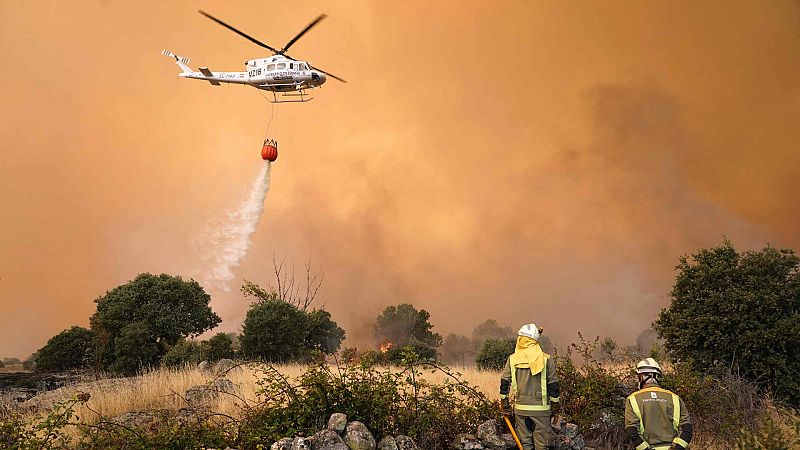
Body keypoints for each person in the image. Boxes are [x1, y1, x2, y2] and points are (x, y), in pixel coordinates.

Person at [500, 323, 560, 450]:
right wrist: (555, 408)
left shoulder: (512, 359)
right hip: (541, 411)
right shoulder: (546, 359)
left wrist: (504, 403)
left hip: (520, 410)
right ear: (535, 340)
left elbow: (505, 382)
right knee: (542, 445)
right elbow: (554, 386)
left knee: (525, 445)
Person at [625, 358, 693, 450]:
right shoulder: (674, 398)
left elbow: (632, 431)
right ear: (657, 376)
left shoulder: (633, 399)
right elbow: (687, 430)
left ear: (641, 377)